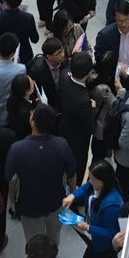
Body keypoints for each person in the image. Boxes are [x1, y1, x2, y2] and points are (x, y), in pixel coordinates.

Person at [4, 104, 75, 248]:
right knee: (54, 237)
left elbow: (10, 179)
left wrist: (12, 202)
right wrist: (72, 195)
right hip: (56, 202)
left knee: (34, 242)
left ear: (33, 121)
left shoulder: (17, 148)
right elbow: (72, 174)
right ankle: (52, 256)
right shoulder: (62, 145)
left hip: (29, 205)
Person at [62, 161, 124, 258]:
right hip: (95, 240)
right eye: (89, 177)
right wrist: (73, 196)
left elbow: (112, 233)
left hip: (103, 246)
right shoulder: (96, 185)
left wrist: (88, 227)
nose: (90, 181)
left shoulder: (112, 205)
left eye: (93, 179)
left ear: (104, 181)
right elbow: (86, 187)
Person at [58, 52, 94, 183]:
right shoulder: (84, 101)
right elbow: (90, 127)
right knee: (77, 165)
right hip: (78, 139)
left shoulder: (64, 76)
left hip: (63, 126)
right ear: (88, 73)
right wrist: (93, 108)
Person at [94, 0, 129, 76]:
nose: (124, 24)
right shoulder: (105, 35)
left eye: (126, 20)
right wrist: (118, 67)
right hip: (112, 76)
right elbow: (99, 58)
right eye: (120, 21)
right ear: (115, 18)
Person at [0, 0, 38, 65]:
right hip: (25, 55)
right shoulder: (28, 17)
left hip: (5, 56)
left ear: (4, 1)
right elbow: (35, 39)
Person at [26, 38, 66, 110]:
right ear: (48, 56)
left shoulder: (64, 62)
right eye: (58, 53)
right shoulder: (37, 71)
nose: (63, 54)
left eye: (62, 50)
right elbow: (33, 93)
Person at [5, 73, 36, 139]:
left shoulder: (12, 99)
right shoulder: (26, 113)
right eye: (31, 83)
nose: (34, 82)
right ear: (27, 91)